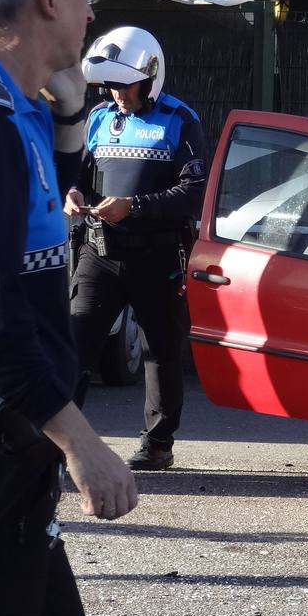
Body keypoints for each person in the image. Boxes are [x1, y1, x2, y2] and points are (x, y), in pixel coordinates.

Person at [0, 0, 139, 616]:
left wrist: (74, 108)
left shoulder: (18, 109)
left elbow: (57, 196)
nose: (89, 11)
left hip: (14, 460)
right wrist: (82, 443)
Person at [64, 26, 206, 471]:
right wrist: (73, 193)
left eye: (123, 84)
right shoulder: (100, 118)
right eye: (109, 84)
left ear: (150, 76)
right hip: (99, 252)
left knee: (160, 349)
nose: (115, 92)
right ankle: (57, 442)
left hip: (158, 255)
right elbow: (79, 173)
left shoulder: (180, 119)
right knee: (73, 343)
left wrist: (136, 207)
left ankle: (157, 444)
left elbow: (194, 191)